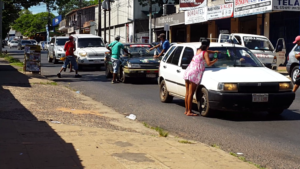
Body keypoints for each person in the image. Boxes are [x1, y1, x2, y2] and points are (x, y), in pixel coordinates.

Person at [183, 39, 218, 116]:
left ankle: (186, 110)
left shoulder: (198, 50)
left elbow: (206, 52)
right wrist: (215, 60)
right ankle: (189, 111)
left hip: (188, 71)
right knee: (191, 93)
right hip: (194, 73)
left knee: (187, 93)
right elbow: (208, 63)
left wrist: (214, 52)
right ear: (208, 46)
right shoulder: (205, 53)